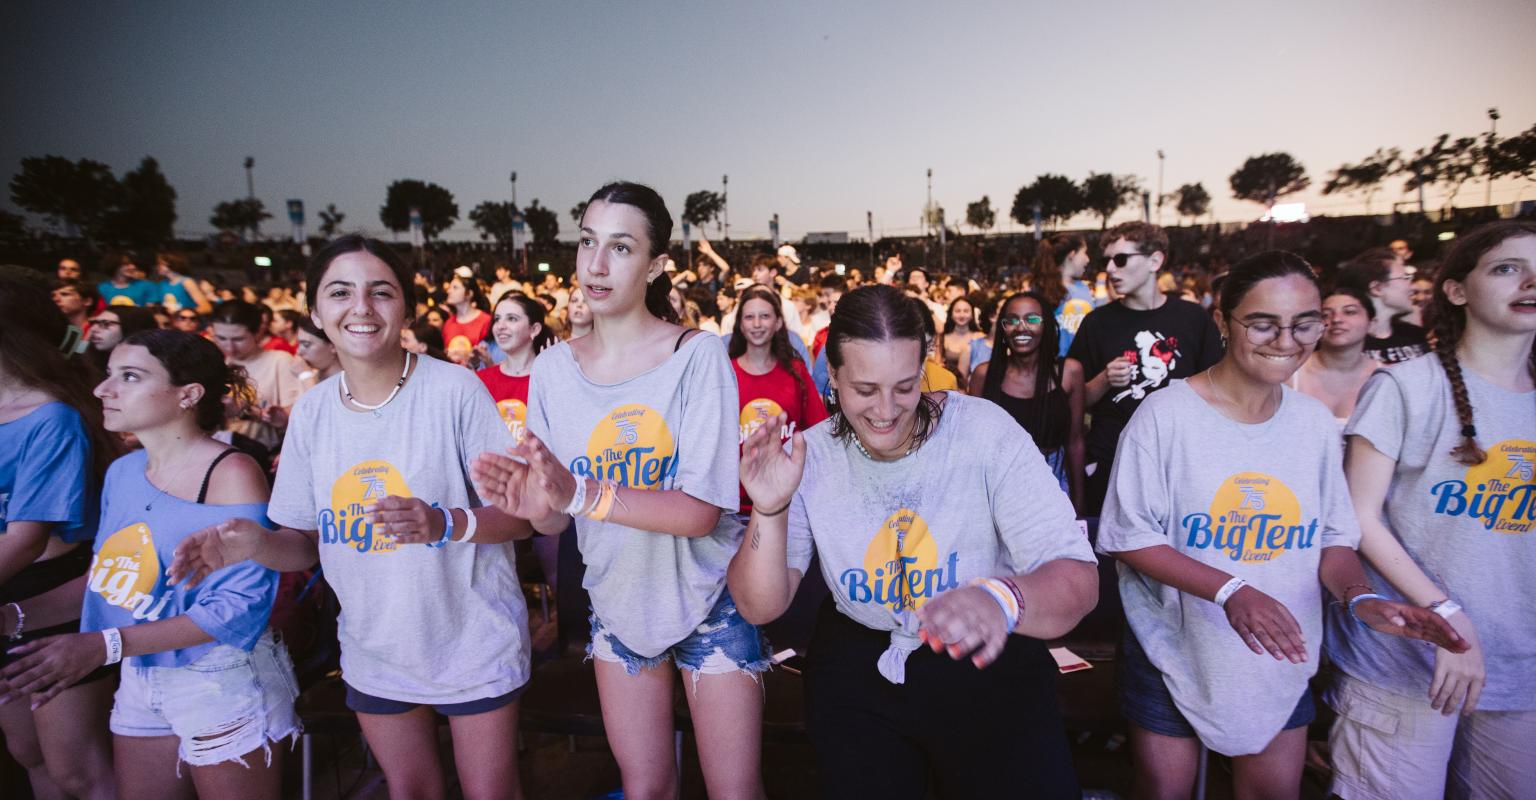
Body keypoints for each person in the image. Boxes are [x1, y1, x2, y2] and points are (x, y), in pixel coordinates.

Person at [169, 235, 536, 800]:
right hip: (374, 646)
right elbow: (305, 543)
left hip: (471, 638)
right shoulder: (314, 410)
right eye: (340, 292)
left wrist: (442, 524)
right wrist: (254, 546)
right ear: (315, 311)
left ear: (407, 308)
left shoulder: (455, 390)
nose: (361, 307)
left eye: (381, 292)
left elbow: (521, 519)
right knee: (410, 790)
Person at [1096, 251, 1463, 800]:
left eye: (1304, 324)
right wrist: (1231, 590)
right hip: (1174, 646)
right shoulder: (1166, 415)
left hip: (1281, 652)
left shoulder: (1312, 423)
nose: (1285, 340)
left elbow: (1334, 538)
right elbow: (1130, 537)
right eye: (1263, 323)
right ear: (1223, 323)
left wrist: (1360, 598)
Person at [726, 283, 1099, 799]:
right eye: (864, 389)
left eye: (905, 386)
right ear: (831, 376)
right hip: (859, 663)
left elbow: (1078, 577)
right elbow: (759, 605)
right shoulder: (810, 455)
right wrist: (769, 507)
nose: (887, 410)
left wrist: (1002, 599)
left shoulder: (984, 431)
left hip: (985, 656)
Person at [472, 182, 766, 800]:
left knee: (735, 793)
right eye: (587, 243)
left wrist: (576, 494)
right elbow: (556, 521)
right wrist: (536, 507)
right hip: (619, 602)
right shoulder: (553, 369)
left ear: (656, 265)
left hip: (710, 596)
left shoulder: (696, 354)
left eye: (621, 247)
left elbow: (700, 513)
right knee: (646, 787)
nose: (596, 265)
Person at [3, 329, 300, 798]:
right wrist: (15, 617)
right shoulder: (124, 470)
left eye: (130, 376)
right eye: (108, 375)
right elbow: (103, 582)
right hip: (142, 673)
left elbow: (237, 610)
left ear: (188, 395)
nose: (104, 389)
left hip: (221, 677)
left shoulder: (230, 473)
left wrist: (102, 647)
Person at [1323, 220, 1536, 800]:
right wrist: (1444, 610)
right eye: (1506, 268)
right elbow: (1357, 517)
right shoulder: (1406, 387)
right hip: (1405, 662)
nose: (1530, 281)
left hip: (1520, 671)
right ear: (1456, 291)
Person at [0, 266, 120, 800]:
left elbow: (28, 537)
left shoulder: (52, 417)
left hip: (47, 592)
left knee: (75, 766)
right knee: (26, 750)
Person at [1066, 222, 1224, 514]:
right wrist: (1103, 380)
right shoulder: (1097, 323)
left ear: (1155, 260)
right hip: (1113, 461)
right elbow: (1075, 405)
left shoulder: (1193, 318)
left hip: (1178, 462)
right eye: (1107, 261)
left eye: (1121, 259)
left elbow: (1220, 392)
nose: (1110, 269)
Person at [970, 292, 1086, 509]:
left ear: (1047, 326)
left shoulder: (1069, 372)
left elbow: (1075, 442)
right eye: (1012, 320)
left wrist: (1080, 504)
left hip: (1054, 485)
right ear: (1003, 329)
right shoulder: (985, 376)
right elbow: (973, 447)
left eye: (1032, 319)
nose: (1021, 327)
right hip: (999, 488)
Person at [729, 285, 829, 512]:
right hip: (735, 507)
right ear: (740, 325)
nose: (757, 324)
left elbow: (818, 430)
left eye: (764, 316)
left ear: (778, 323)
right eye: (749, 317)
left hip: (789, 503)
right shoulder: (726, 373)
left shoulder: (796, 372)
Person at [209, 301, 301, 452]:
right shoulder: (216, 362)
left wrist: (250, 410)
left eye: (238, 339)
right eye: (221, 338)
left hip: (262, 452)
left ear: (258, 332)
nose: (229, 347)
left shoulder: (279, 361)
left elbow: (297, 418)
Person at [1291, 285, 1378, 428]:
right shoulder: (1289, 373)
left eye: (1349, 312)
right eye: (1325, 315)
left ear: (1372, 324)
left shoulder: (1386, 377)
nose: (1337, 319)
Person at [477, 292, 553, 442]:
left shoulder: (550, 380)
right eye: (497, 319)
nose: (500, 326)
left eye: (512, 319)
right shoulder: (480, 381)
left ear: (534, 329)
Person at [1336, 248, 1427, 364]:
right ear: (1377, 288)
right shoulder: (1344, 343)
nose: (1412, 288)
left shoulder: (1414, 334)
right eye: (1405, 278)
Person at [1030, 233, 1100, 357]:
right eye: (1084, 253)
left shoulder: (1085, 288)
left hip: (1085, 366)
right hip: (1054, 366)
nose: (1088, 259)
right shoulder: (1039, 290)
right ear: (1072, 255)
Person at [441, 270, 493, 359]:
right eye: (450, 287)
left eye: (455, 288)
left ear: (469, 294)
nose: (449, 291)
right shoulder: (448, 324)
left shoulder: (486, 321)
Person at [939, 295, 987, 384]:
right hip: (949, 386)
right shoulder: (943, 337)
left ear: (972, 314)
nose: (962, 315)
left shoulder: (980, 337)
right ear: (951, 314)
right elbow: (937, 365)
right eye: (957, 311)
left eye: (966, 311)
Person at [293, 317, 341, 388]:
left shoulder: (348, 382)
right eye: (299, 344)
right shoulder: (314, 377)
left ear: (333, 345)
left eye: (306, 345)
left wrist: (305, 375)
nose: (298, 351)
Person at [52, 278, 99, 342]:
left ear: (87, 301)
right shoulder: (50, 328)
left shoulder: (97, 330)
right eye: (53, 295)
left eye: (65, 294)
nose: (56, 299)